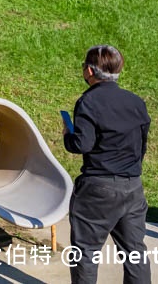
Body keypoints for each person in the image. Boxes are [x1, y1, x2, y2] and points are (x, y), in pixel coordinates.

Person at [64, 45, 151, 284]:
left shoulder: (89, 102)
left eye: (84, 66)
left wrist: (67, 134)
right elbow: (141, 143)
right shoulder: (136, 102)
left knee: (86, 253)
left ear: (90, 72)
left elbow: (82, 144)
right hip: (132, 187)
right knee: (135, 253)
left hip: (97, 190)